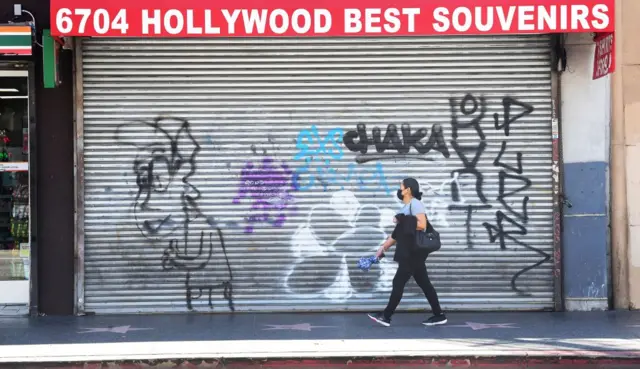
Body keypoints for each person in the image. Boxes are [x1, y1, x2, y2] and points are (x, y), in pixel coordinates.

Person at [367, 178, 447, 327]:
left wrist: (401, 220)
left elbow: (422, 225)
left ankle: (386, 316)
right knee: (425, 284)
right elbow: (396, 235)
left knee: (398, 282)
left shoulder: (415, 204)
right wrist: (382, 249)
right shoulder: (406, 207)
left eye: (401, 187)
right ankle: (439, 315)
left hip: (412, 252)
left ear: (408, 190)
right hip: (411, 252)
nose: (399, 190)